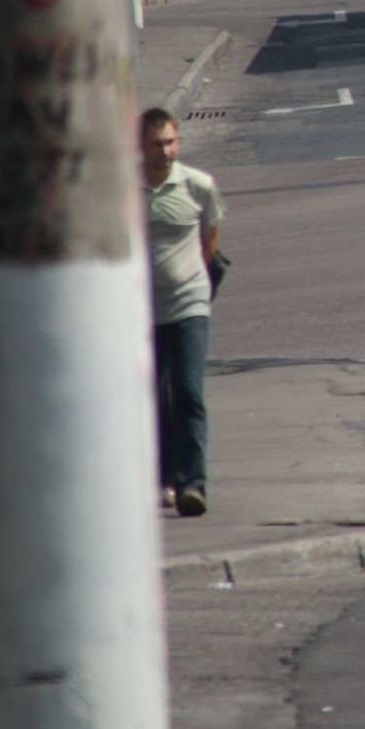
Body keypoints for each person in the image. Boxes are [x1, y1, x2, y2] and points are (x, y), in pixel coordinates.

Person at [141, 108, 224, 518]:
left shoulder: (198, 186)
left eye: (171, 141)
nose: (166, 150)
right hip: (142, 313)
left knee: (189, 392)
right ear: (142, 147)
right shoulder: (121, 192)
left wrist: (193, 279)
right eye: (157, 143)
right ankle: (165, 479)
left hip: (190, 303)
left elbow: (210, 238)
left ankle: (193, 484)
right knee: (154, 399)